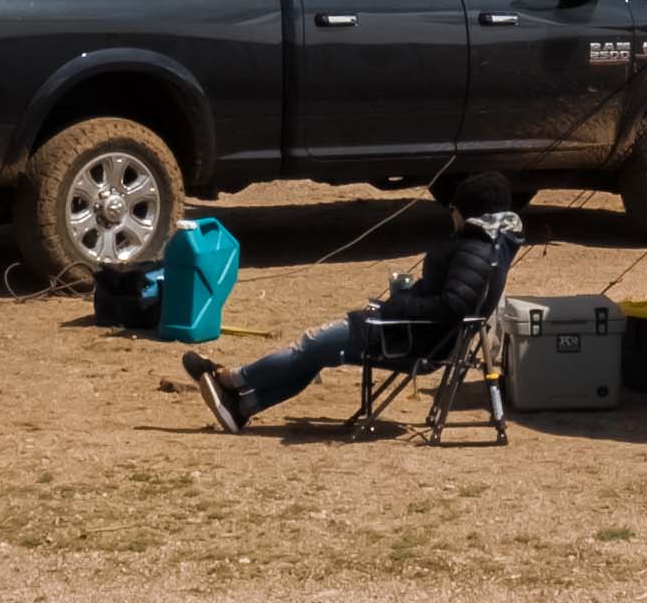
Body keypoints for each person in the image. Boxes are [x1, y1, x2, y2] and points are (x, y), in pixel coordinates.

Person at [188, 173, 526, 429]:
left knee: (311, 344)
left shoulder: (475, 249)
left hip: (410, 339)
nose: (450, 217)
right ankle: (243, 407)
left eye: (453, 209)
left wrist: (398, 305)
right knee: (319, 353)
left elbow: (453, 307)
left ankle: (231, 379)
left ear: (467, 212)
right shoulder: (489, 246)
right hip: (419, 336)